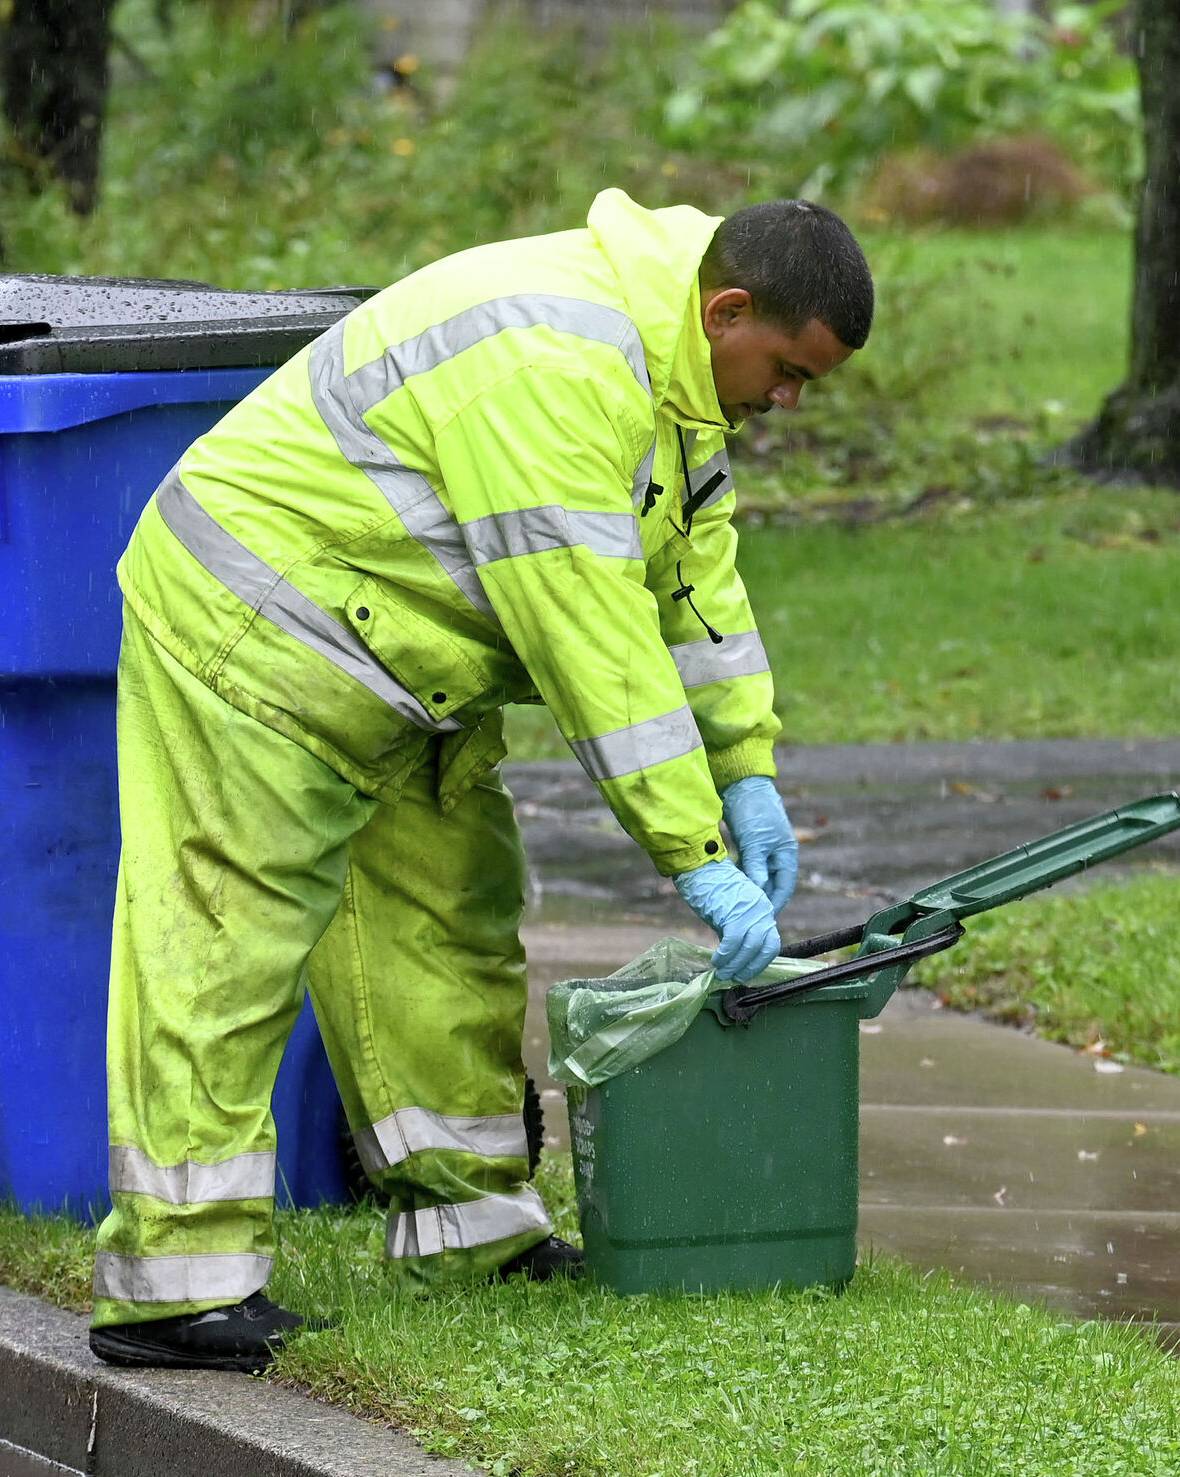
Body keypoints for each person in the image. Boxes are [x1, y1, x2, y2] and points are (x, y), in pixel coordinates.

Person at [87, 191, 873, 1372]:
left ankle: (472, 1233)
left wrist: (746, 767)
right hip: (259, 626)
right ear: (726, 310)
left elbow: (696, 592)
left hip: (403, 651)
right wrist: (697, 859)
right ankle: (172, 1284)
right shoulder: (555, 361)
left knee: (446, 927)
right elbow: (592, 643)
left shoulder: (682, 385)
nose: (789, 399)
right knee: (224, 942)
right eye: (786, 369)